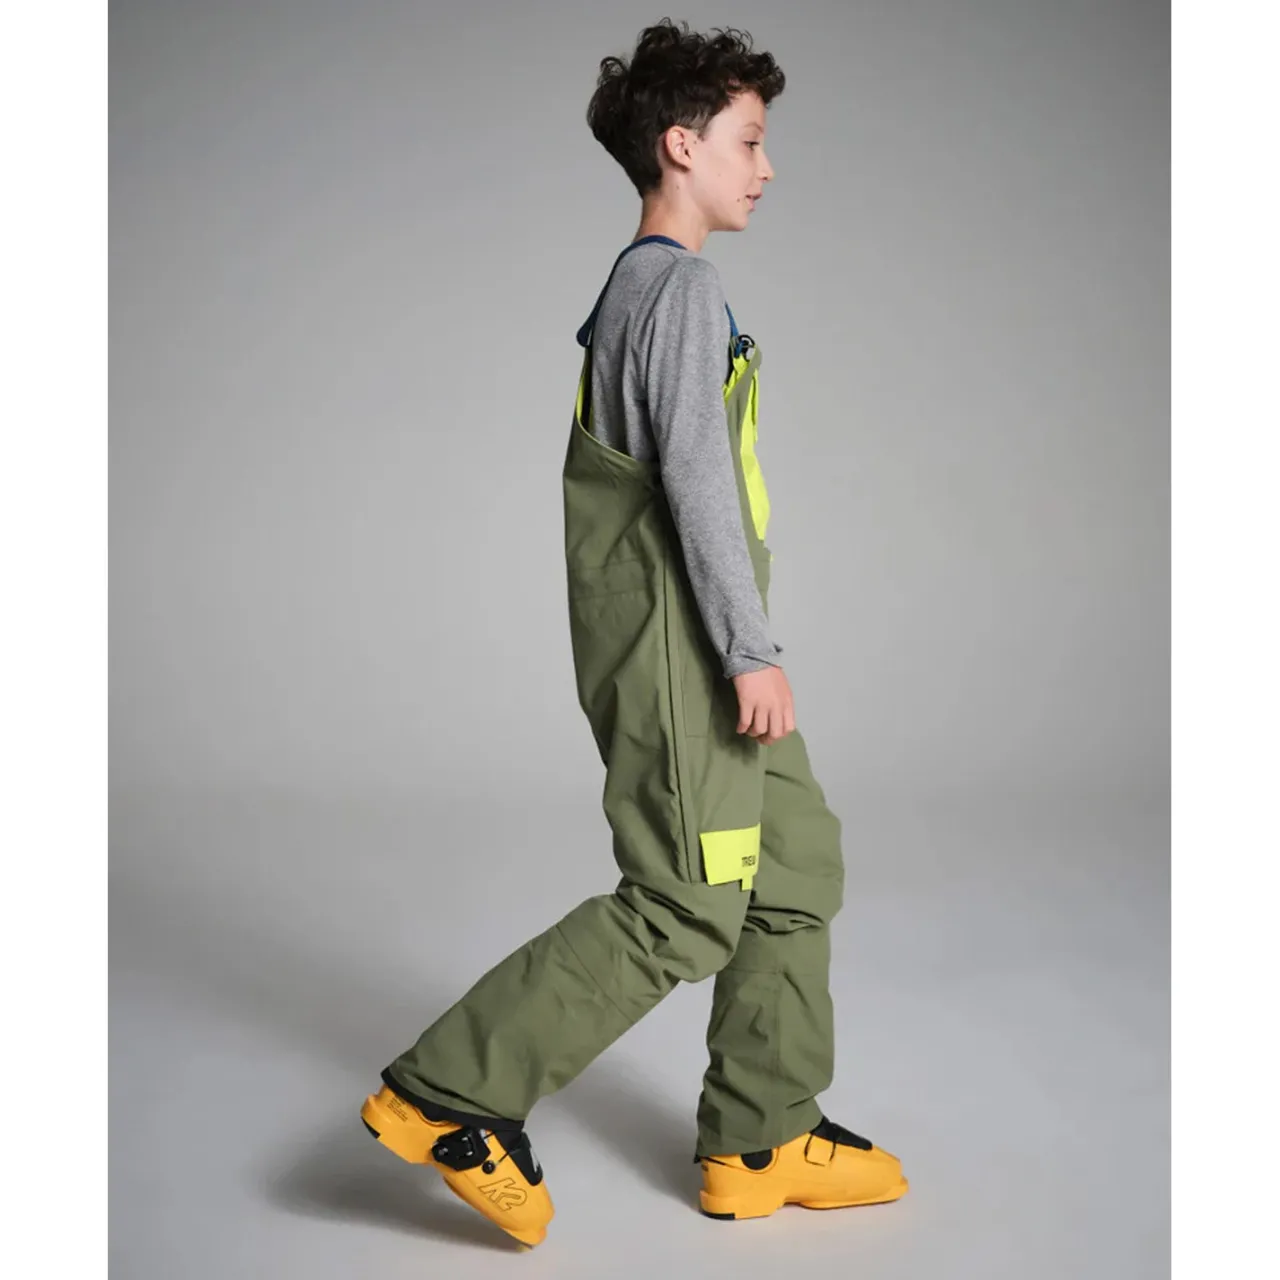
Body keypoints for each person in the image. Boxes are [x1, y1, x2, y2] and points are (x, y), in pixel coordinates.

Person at [359, 19, 909, 1248]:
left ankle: (762, 1133)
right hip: (685, 653)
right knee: (684, 901)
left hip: (694, 638)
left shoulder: (641, 289)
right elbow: (695, 485)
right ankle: (447, 1093)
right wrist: (748, 651)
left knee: (793, 863)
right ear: (680, 145)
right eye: (748, 141)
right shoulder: (676, 290)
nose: (765, 166)